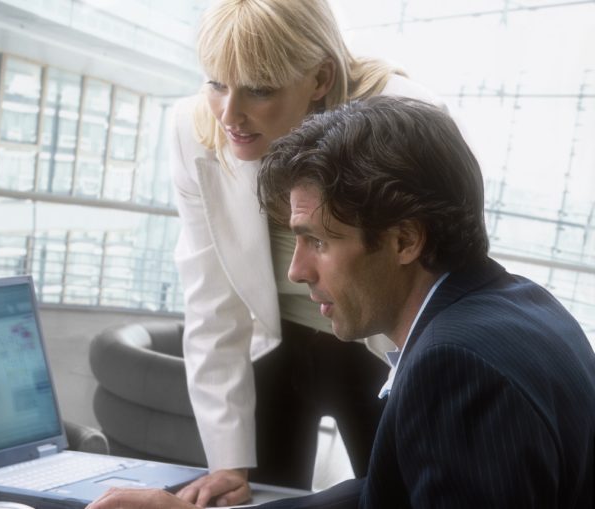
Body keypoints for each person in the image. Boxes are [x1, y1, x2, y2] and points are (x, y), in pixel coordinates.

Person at [88, 96, 595, 509]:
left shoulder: (455, 365)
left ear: (404, 241)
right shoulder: (521, 306)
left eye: (319, 242)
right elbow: (387, 494)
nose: (297, 271)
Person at [170, 0, 441, 504]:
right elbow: (211, 299)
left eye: (259, 89)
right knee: (263, 497)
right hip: (279, 344)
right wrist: (227, 461)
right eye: (217, 83)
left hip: (383, 346)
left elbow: (441, 275)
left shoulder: (408, 121)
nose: (229, 115)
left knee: (401, 496)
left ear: (319, 78)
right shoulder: (194, 130)